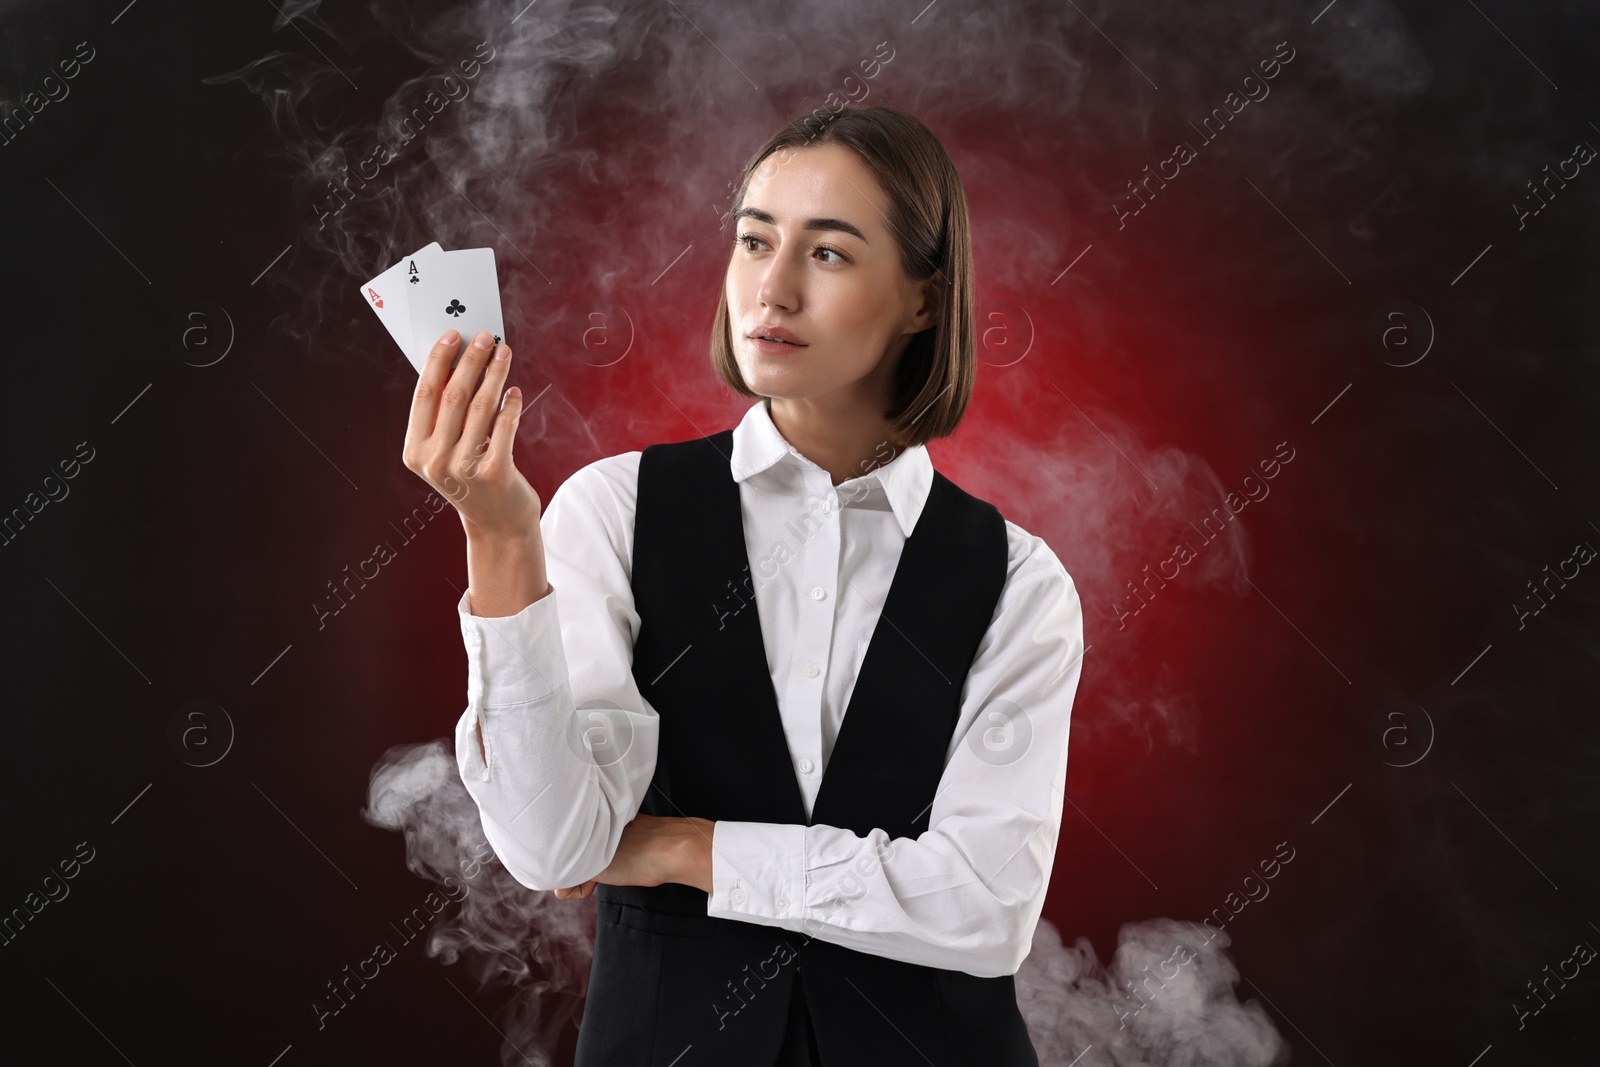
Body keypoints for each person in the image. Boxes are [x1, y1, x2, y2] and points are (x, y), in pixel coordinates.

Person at [403, 105, 1085, 1066]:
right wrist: (500, 534)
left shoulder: (1020, 581)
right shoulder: (612, 510)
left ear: (924, 299)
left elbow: (985, 906)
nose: (772, 287)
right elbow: (555, 847)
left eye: (830, 253)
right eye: (754, 240)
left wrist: (687, 848)